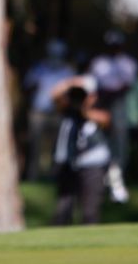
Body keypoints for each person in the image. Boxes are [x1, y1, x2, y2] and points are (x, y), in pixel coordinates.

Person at [50, 75, 112, 225]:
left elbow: (105, 120)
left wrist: (83, 109)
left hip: (92, 166)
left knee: (90, 211)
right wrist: (70, 83)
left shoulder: (98, 110)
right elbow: (53, 95)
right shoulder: (66, 111)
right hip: (69, 165)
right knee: (63, 208)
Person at [89, 30, 136, 203]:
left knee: (119, 144)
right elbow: (96, 84)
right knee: (99, 141)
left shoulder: (127, 63)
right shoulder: (99, 62)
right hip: (101, 104)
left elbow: (126, 85)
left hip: (118, 104)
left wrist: (112, 92)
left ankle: (117, 181)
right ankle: (100, 178)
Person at [23, 39, 76, 180]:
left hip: (58, 114)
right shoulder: (39, 68)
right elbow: (27, 87)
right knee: (35, 147)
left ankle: (52, 177)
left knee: (57, 147)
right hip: (39, 113)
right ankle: (32, 176)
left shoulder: (68, 72)